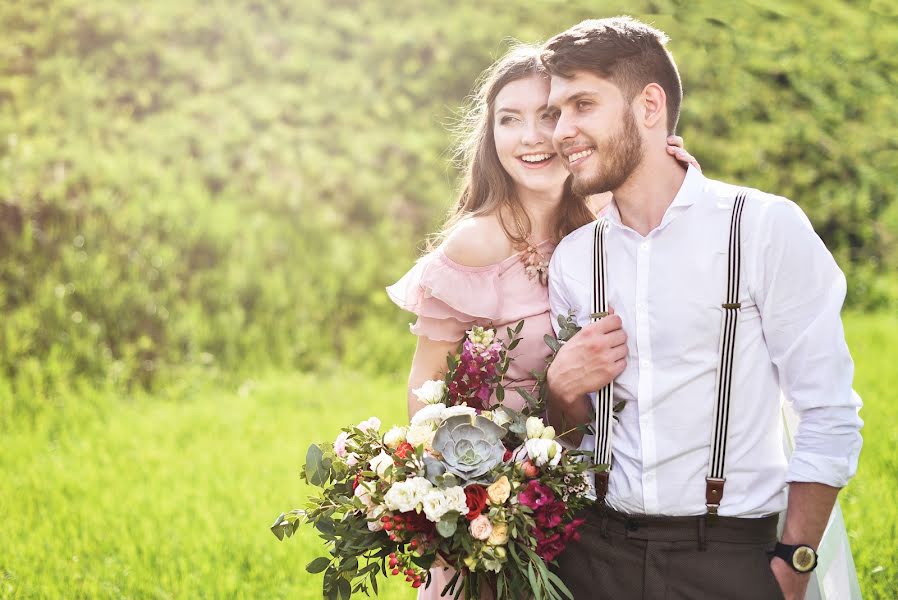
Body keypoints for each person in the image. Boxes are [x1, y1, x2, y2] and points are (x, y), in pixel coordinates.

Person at [541, 17, 863, 600]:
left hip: (730, 558)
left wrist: (792, 566)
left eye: (582, 104)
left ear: (649, 105)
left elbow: (827, 409)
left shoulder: (764, 227)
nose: (562, 130)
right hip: (592, 557)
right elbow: (571, 439)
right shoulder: (573, 259)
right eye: (557, 111)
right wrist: (560, 391)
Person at [386, 43, 698, 600]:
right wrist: (470, 489)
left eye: (549, 116)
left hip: (600, 505)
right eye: (510, 119)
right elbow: (423, 389)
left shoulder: (609, 219)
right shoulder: (476, 244)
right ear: (492, 135)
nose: (531, 136)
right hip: (505, 512)